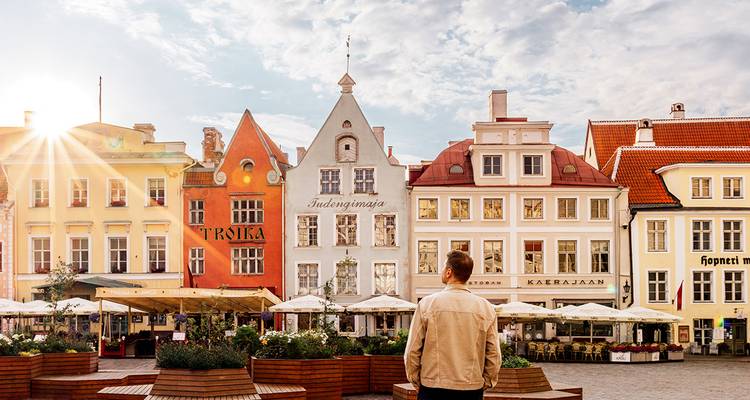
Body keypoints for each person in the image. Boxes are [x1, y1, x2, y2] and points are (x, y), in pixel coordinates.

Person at [405, 250, 501, 400]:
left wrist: (416, 379)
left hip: (433, 387)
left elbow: (412, 350)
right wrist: (487, 381)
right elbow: (494, 354)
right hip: (470, 388)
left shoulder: (427, 304)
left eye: (443, 267)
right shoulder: (485, 308)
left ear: (449, 272)